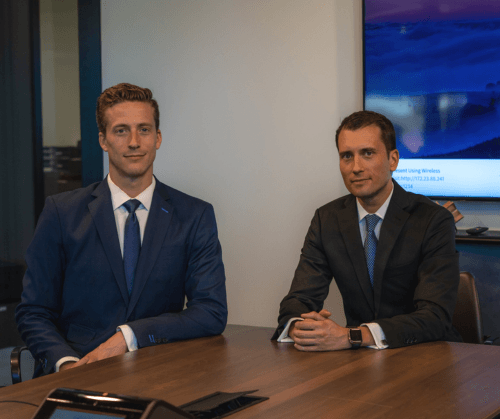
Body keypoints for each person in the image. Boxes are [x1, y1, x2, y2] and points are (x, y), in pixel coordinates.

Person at [16, 83, 227, 376]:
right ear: (103, 140)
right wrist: (65, 363)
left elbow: (211, 312)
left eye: (144, 129)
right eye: (120, 130)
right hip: (79, 373)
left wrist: (130, 336)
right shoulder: (61, 213)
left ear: (158, 138)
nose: (133, 142)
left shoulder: (194, 215)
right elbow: (34, 311)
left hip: (161, 373)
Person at [273, 110, 461, 350]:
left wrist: (351, 336)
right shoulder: (327, 219)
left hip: (425, 355)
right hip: (360, 360)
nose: (356, 167)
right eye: (346, 156)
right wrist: (301, 326)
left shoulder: (433, 220)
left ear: (393, 160)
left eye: (368, 153)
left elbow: (435, 317)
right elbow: (298, 300)